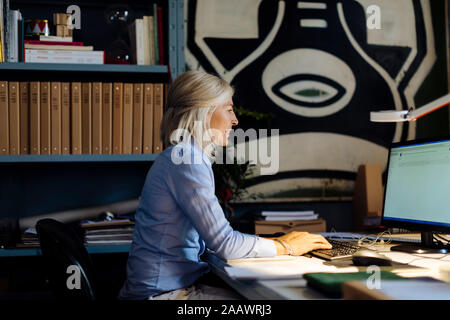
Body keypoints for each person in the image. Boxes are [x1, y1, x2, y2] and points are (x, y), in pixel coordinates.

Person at [118, 71, 331, 300]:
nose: (235, 120)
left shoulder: (180, 157)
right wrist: (285, 246)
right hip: (162, 296)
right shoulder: (187, 161)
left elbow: (214, 242)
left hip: (169, 290)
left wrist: (275, 243)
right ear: (204, 111)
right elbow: (225, 244)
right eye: (228, 108)